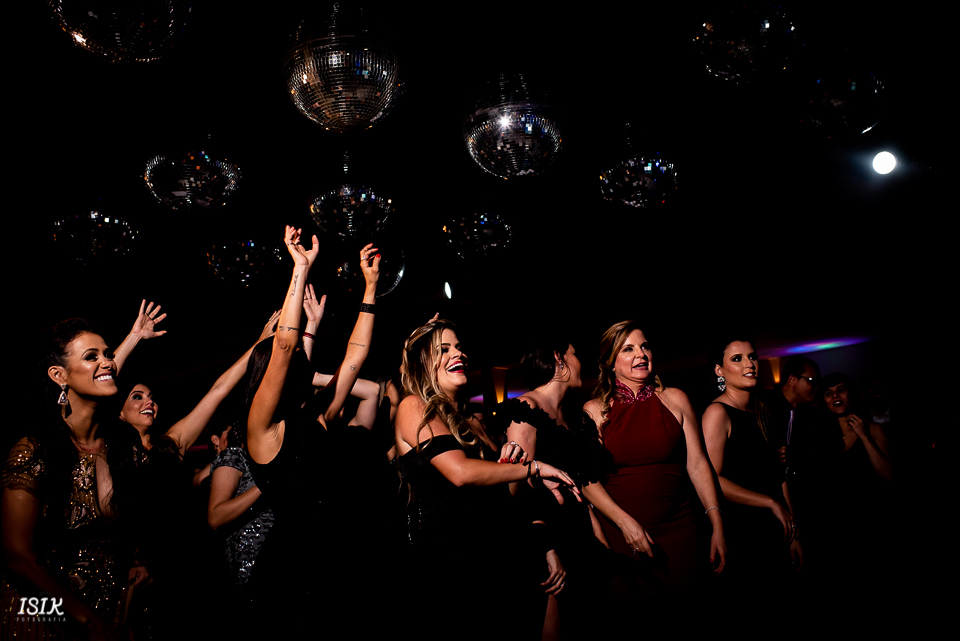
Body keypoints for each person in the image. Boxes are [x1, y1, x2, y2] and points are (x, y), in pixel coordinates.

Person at [395, 319, 580, 641]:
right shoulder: (415, 407)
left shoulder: (473, 421)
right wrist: (533, 467)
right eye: (444, 349)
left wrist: (512, 465)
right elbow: (461, 473)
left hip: (500, 557)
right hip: (453, 570)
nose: (459, 353)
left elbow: (507, 499)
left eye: (459, 347)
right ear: (423, 362)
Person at [244, 227, 383, 635]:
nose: (296, 363)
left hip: (339, 560)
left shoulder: (318, 419)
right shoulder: (262, 429)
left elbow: (355, 357)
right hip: (291, 573)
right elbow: (284, 348)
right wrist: (300, 268)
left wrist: (370, 289)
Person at [2, 319, 154, 640]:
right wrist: (85, 621)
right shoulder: (35, 450)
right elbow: (17, 557)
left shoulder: (123, 449)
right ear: (59, 376)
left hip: (109, 612)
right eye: (91, 356)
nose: (107, 361)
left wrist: (137, 561)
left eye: (108, 353)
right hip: (42, 617)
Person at [581, 321, 726, 608]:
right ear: (610, 362)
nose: (641, 354)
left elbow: (698, 465)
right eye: (628, 349)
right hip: (622, 535)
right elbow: (587, 479)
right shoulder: (594, 410)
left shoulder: (675, 399)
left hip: (680, 532)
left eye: (644, 346)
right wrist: (625, 524)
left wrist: (717, 525)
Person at [497, 335, 610, 640]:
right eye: (575, 354)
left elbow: (580, 483)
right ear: (559, 359)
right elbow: (515, 494)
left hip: (577, 529)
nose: (580, 362)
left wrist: (596, 530)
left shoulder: (569, 415)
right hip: (549, 535)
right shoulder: (526, 408)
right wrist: (545, 546)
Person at [702, 338, 799, 610]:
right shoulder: (717, 413)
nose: (749, 364)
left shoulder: (762, 409)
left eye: (752, 356)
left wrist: (794, 531)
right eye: (737, 358)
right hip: (744, 532)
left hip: (775, 528)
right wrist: (769, 503)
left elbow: (778, 475)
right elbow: (712, 480)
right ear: (719, 371)